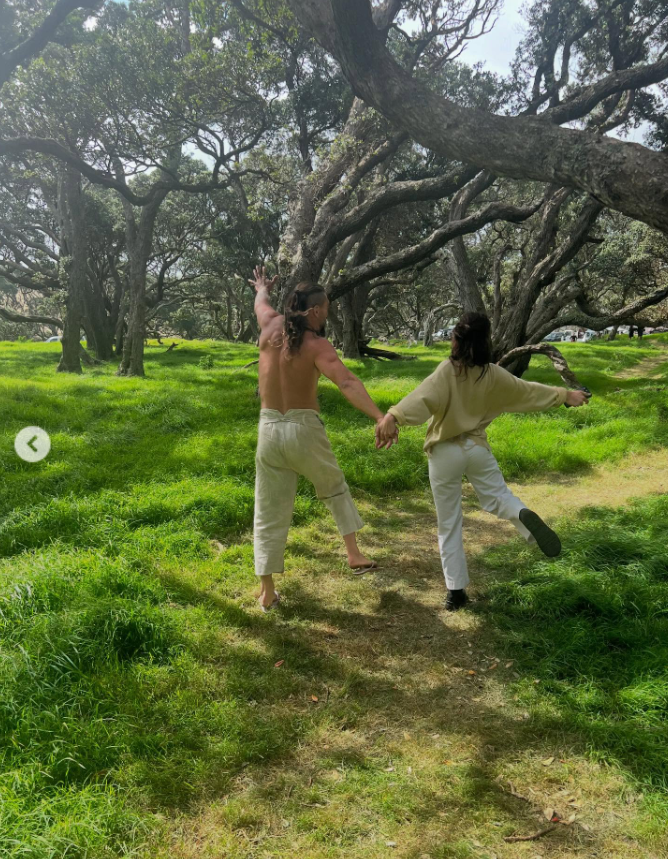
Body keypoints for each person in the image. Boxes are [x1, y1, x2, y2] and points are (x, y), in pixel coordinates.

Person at [375, 312, 589, 611]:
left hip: (445, 453)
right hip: (476, 448)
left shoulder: (447, 371)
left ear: (455, 339)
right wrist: (566, 395)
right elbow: (528, 392)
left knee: (449, 523)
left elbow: (420, 399)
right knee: (499, 497)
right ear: (487, 340)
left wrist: (392, 417)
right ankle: (521, 513)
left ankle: (456, 593)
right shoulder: (493, 374)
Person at [250, 266, 397, 612]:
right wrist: (379, 417)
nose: (327, 313)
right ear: (315, 310)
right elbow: (346, 382)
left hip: (268, 430)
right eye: (327, 308)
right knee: (333, 486)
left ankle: (267, 591)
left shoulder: (269, 325)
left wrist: (261, 286)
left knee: (268, 510)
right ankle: (353, 553)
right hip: (303, 428)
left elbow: (260, 303)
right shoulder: (317, 345)